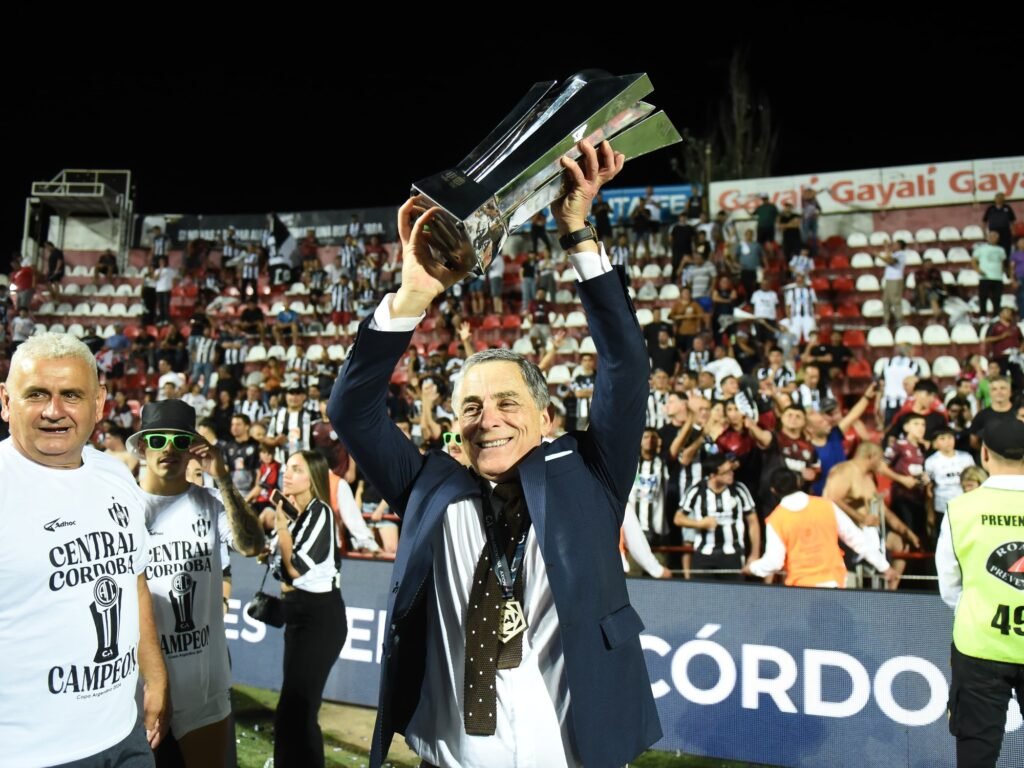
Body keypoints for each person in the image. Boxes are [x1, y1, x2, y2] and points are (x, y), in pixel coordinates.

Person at [329, 139, 660, 768]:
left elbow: (625, 366)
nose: (489, 420)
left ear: (545, 416)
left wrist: (577, 231)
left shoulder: (592, 476)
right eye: (472, 407)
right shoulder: (428, 487)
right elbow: (351, 410)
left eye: (508, 403)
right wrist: (413, 297)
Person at [0, 333, 169, 765]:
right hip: (29, 754)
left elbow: (133, 581)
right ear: (5, 401)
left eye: (71, 395)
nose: (54, 411)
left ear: (98, 403)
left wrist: (154, 675)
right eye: (36, 394)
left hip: (124, 737)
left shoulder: (115, 475)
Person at [129, 400, 264, 767]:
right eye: (158, 440)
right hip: (141, 688)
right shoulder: (123, 508)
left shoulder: (212, 502)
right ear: (141, 446)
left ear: (193, 448)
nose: (168, 449)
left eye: (180, 440)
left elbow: (252, 545)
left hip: (205, 687)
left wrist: (223, 478)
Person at [936, 419, 1024, 767]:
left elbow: (949, 584)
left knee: (976, 752)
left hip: (980, 643)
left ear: (984, 454)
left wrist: (979, 608)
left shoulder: (960, 509)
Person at [267, 450, 347, 768]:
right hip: (299, 615)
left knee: (299, 710)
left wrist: (280, 527)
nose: (287, 474)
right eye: (287, 468)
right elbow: (275, 564)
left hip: (320, 619)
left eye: (296, 469)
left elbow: (294, 568)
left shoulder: (320, 512)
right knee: (290, 710)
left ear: (312, 478)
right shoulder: (298, 516)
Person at [745, 469, 898, 588]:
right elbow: (856, 539)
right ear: (798, 482)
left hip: (802, 586)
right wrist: (885, 567)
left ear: (773, 490)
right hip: (834, 582)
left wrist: (752, 568)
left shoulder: (776, 520)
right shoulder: (826, 506)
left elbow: (774, 562)